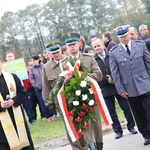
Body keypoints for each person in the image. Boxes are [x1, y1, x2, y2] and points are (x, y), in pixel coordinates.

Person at [62, 32, 103, 150]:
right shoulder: (64, 63)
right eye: (69, 45)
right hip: (76, 100)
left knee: (96, 125)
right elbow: (63, 83)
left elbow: (99, 75)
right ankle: (91, 147)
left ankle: (99, 146)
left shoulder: (88, 58)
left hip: (91, 96)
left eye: (74, 44)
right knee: (84, 126)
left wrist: (83, 76)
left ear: (79, 44)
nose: (72, 47)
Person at [109, 25, 150, 146]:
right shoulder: (114, 53)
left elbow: (148, 64)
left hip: (145, 84)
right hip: (130, 88)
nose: (123, 39)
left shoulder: (141, 45)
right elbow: (115, 74)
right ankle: (147, 135)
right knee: (138, 113)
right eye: (120, 37)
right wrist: (120, 89)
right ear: (118, 38)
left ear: (129, 35)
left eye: (125, 36)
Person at [92, 38, 137, 139]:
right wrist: (105, 79)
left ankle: (131, 126)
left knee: (126, 107)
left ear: (103, 45)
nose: (97, 48)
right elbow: (94, 75)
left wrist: (113, 77)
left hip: (118, 86)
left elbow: (120, 68)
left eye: (98, 45)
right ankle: (117, 130)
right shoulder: (93, 60)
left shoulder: (112, 54)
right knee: (111, 111)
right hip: (105, 89)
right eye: (95, 47)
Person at [0, 56, 34, 150]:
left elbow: (22, 92)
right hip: (2, 124)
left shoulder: (12, 77)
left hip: (16, 116)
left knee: (23, 141)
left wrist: (14, 100)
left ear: (1, 63)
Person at [42, 42, 67, 116]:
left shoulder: (69, 60)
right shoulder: (46, 67)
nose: (56, 55)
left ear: (61, 51)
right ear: (49, 54)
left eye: (57, 52)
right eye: (53, 53)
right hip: (59, 100)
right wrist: (50, 104)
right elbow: (46, 86)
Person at [29, 54, 55, 122]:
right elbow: (31, 79)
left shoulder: (44, 66)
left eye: (34, 60)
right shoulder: (31, 69)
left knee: (49, 100)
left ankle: (52, 114)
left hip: (46, 87)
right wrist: (36, 85)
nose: (33, 62)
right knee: (42, 102)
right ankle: (47, 115)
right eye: (32, 61)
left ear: (38, 60)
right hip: (38, 89)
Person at [22, 60, 36, 124]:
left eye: (11, 56)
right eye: (9, 56)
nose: (10, 58)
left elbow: (28, 80)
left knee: (28, 105)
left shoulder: (21, 69)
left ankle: (32, 119)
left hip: (24, 90)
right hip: (13, 92)